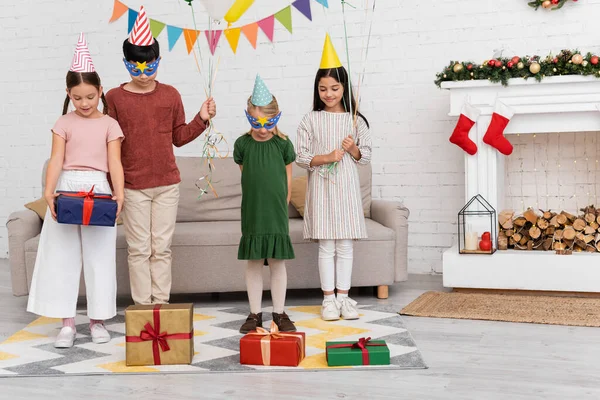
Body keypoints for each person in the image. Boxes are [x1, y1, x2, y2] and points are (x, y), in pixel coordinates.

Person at [105, 6, 216, 305]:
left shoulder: (170, 95)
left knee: (161, 247)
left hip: (167, 184)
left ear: (158, 62)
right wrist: (113, 187)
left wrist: (201, 119)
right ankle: (143, 307)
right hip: (132, 185)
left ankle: (161, 305)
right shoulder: (114, 98)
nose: (142, 73)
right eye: (135, 67)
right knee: (139, 248)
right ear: (126, 63)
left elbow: (179, 137)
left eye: (149, 66)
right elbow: (109, 145)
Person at [27, 33, 125, 348]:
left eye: (90, 97)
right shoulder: (63, 122)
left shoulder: (110, 124)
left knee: (100, 257)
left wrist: (119, 194)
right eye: (77, 97)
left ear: (100, 91)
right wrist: (48, 191)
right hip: (68, 186)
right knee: (61, 255)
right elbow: (56, 159)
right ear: (68, 94)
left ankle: (97, 321)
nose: (84, 104)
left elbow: (114, 162)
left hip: (98, 188)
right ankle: (67, 323)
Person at [296, 34, 372, 321]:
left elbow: (366, 157)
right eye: (323, 88)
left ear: (344, 88)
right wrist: (326, 157)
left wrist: (353, 150)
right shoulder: (310, 119)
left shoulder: (355, 120)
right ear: (317, 90)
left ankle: (344, 298)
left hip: (347, 190)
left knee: (345, 246)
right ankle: (328, 300)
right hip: (322, 190)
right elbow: (300, 156)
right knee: (327, 246)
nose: (329, 94)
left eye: (335, 88)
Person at [234, 75, 297, 333]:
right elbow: (246, 177)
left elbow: (288, 181)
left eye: (268, 123)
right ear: (248, 117)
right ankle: (254, 314)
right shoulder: (242, 145)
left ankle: (279, 313)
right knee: (254, 262)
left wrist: (282, 203)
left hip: (276, 212)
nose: (262, 129)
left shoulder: (283, 144)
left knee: (278, 262)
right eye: (256, 122)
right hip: (253, 211)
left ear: (277, 117)